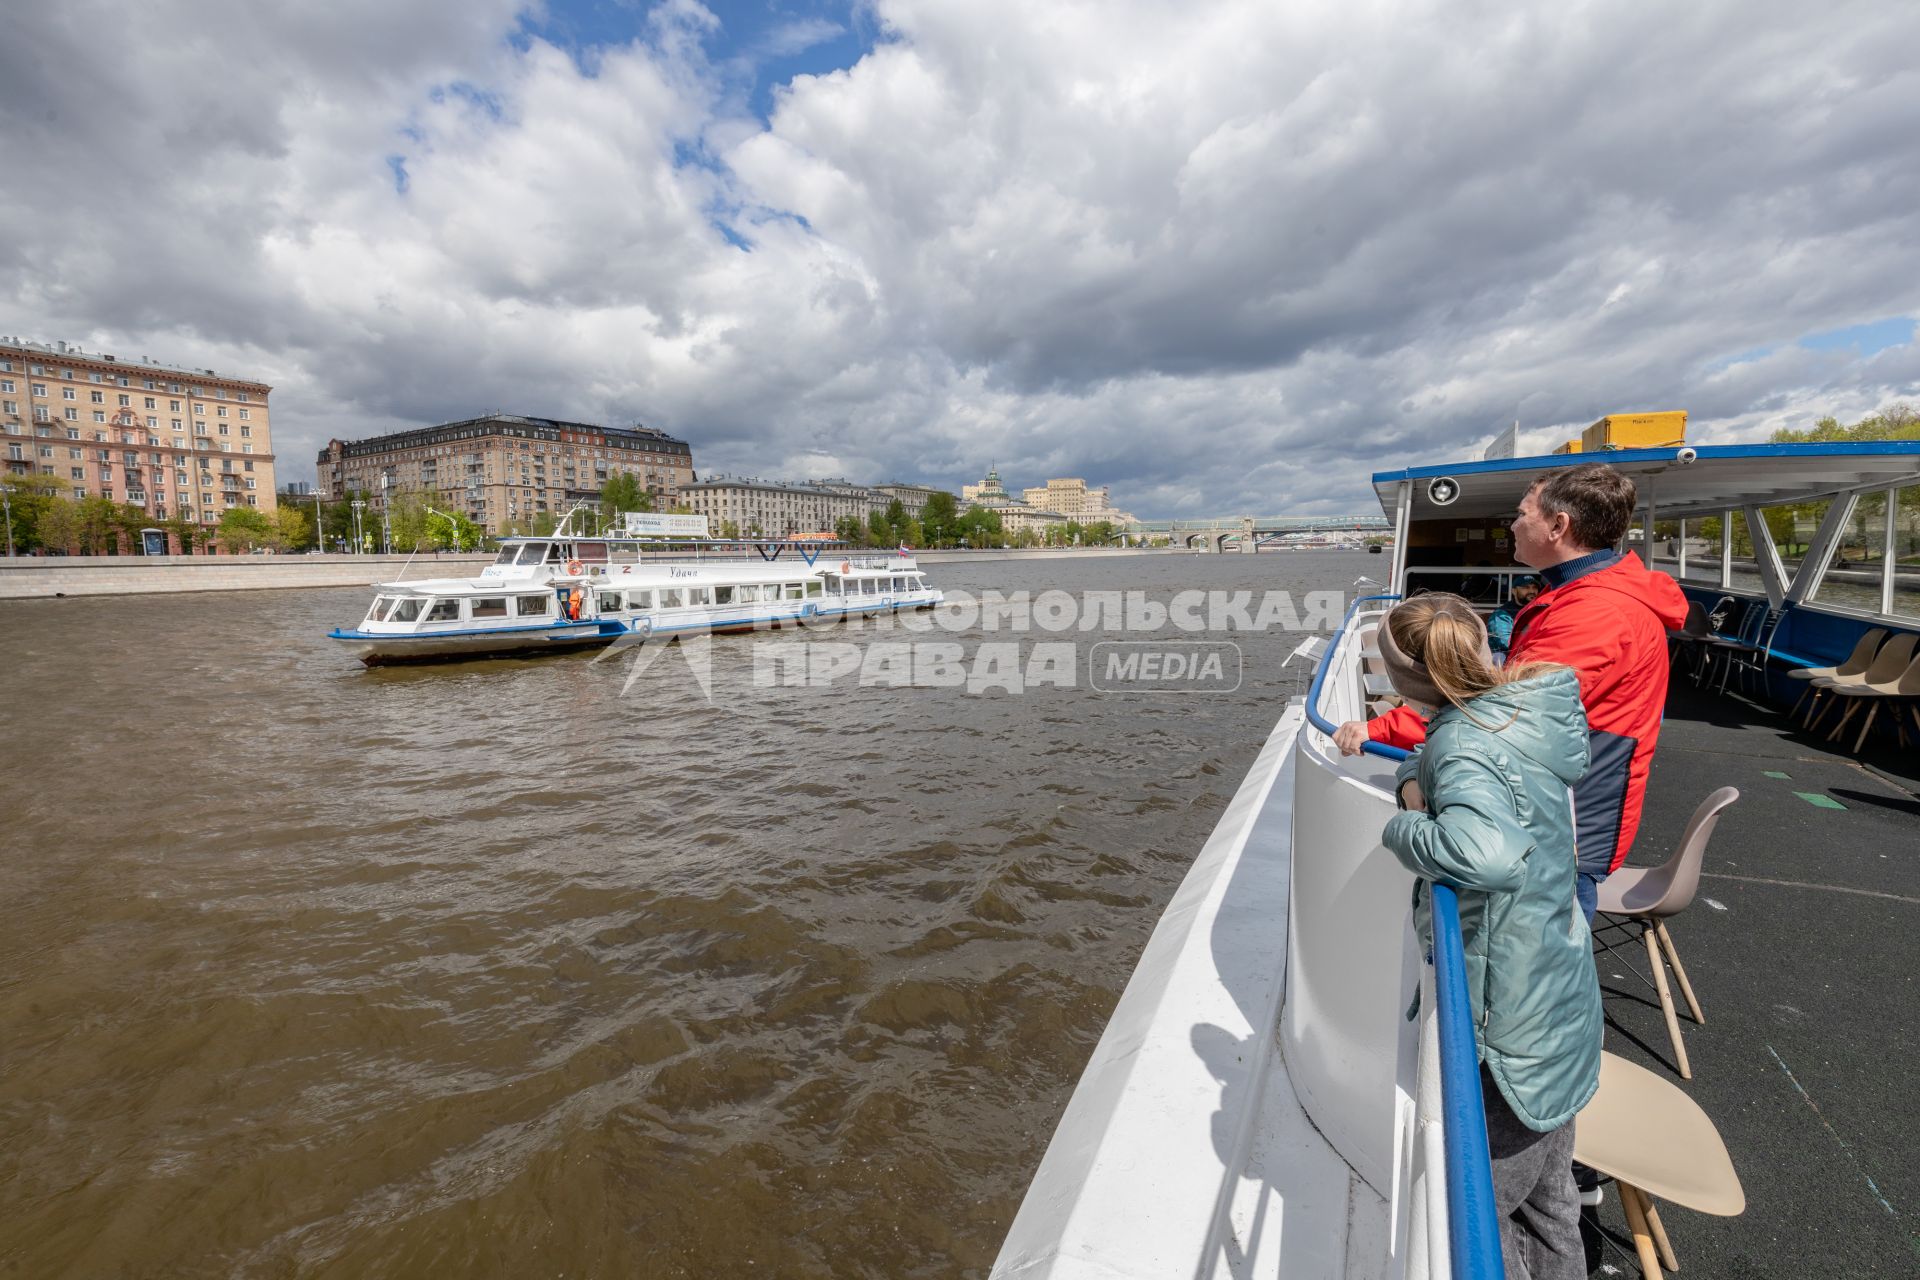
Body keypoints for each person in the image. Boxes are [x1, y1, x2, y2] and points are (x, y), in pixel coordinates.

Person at [1336, 462, 1689, 921]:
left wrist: (1381, 728)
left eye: (1523, 514)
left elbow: (1505, 710)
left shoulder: (1596, 613)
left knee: (1538, 972)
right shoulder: (1580, 597)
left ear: (1558, 526)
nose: (1513, 525)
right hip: (1552, 803)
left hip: (1565, 824)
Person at [1376, 594, 1601, 1280]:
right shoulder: (1517, 716)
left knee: (1488, 1213)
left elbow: (1486, 852)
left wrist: (1402, 825)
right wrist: (1418, 774)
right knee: (1551, 1201)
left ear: (1403, 682)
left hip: (1511, 1021)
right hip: (1555, 989)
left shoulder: (1462, 742)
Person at [1487, 576, 1542, 659]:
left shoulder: (1540, 610)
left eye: (1534, 587)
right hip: (1508, 658)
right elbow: (1506, 644)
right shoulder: (1502, 614)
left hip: (1534, 655)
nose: (1531, 591)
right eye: (1525, 587)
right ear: (1514, 591)